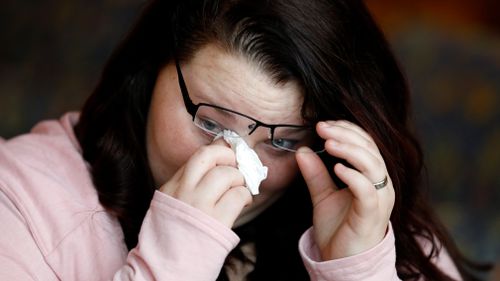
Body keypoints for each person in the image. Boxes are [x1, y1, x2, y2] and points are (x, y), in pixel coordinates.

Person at [0, 0, 490, 280]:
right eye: (211, 123)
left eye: (283, 140)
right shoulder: (19, 202)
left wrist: (357, 270)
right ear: (148, 75)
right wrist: (174, 261)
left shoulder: (369, 219)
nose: (237, 167)